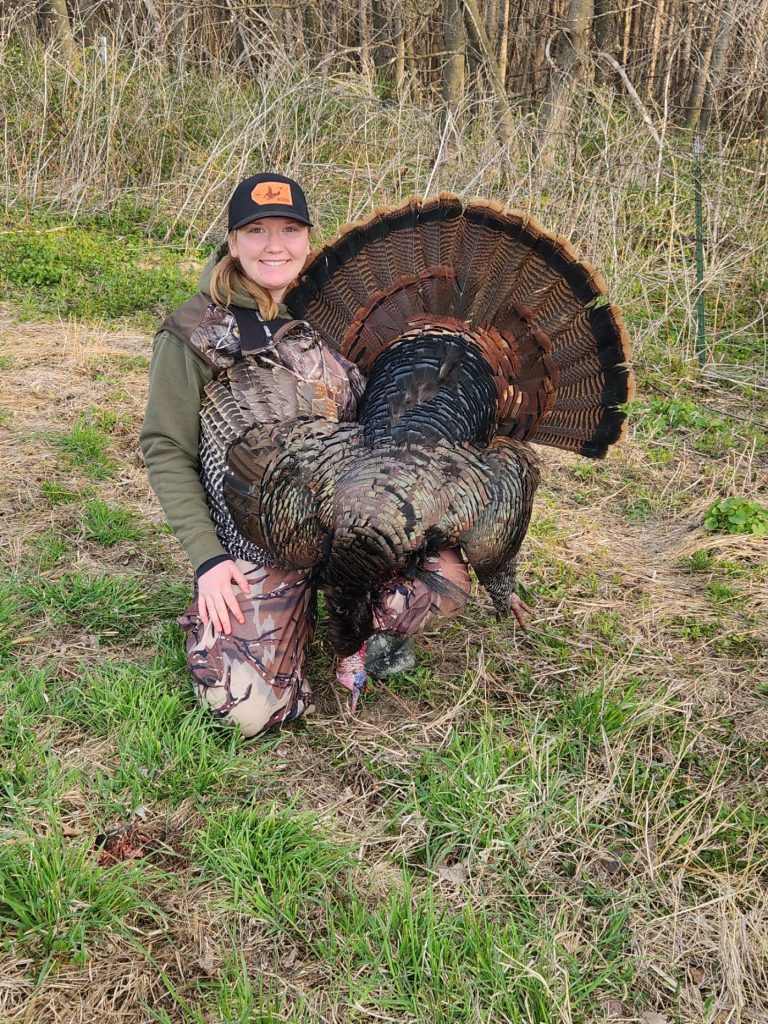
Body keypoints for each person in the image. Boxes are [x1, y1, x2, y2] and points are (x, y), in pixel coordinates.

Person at [140, 172, 471, 738]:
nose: (274, 246)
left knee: (446, 577)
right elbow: (165, 449)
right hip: (256, 542)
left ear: (307, 239)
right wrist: (208, 560)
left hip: (345, 526)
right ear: (233, 239)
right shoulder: (194, 332)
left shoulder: (329, 320)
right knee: (249, 711)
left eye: (289, 230)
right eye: (257, 230)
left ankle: (360, 633)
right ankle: (230, 619)